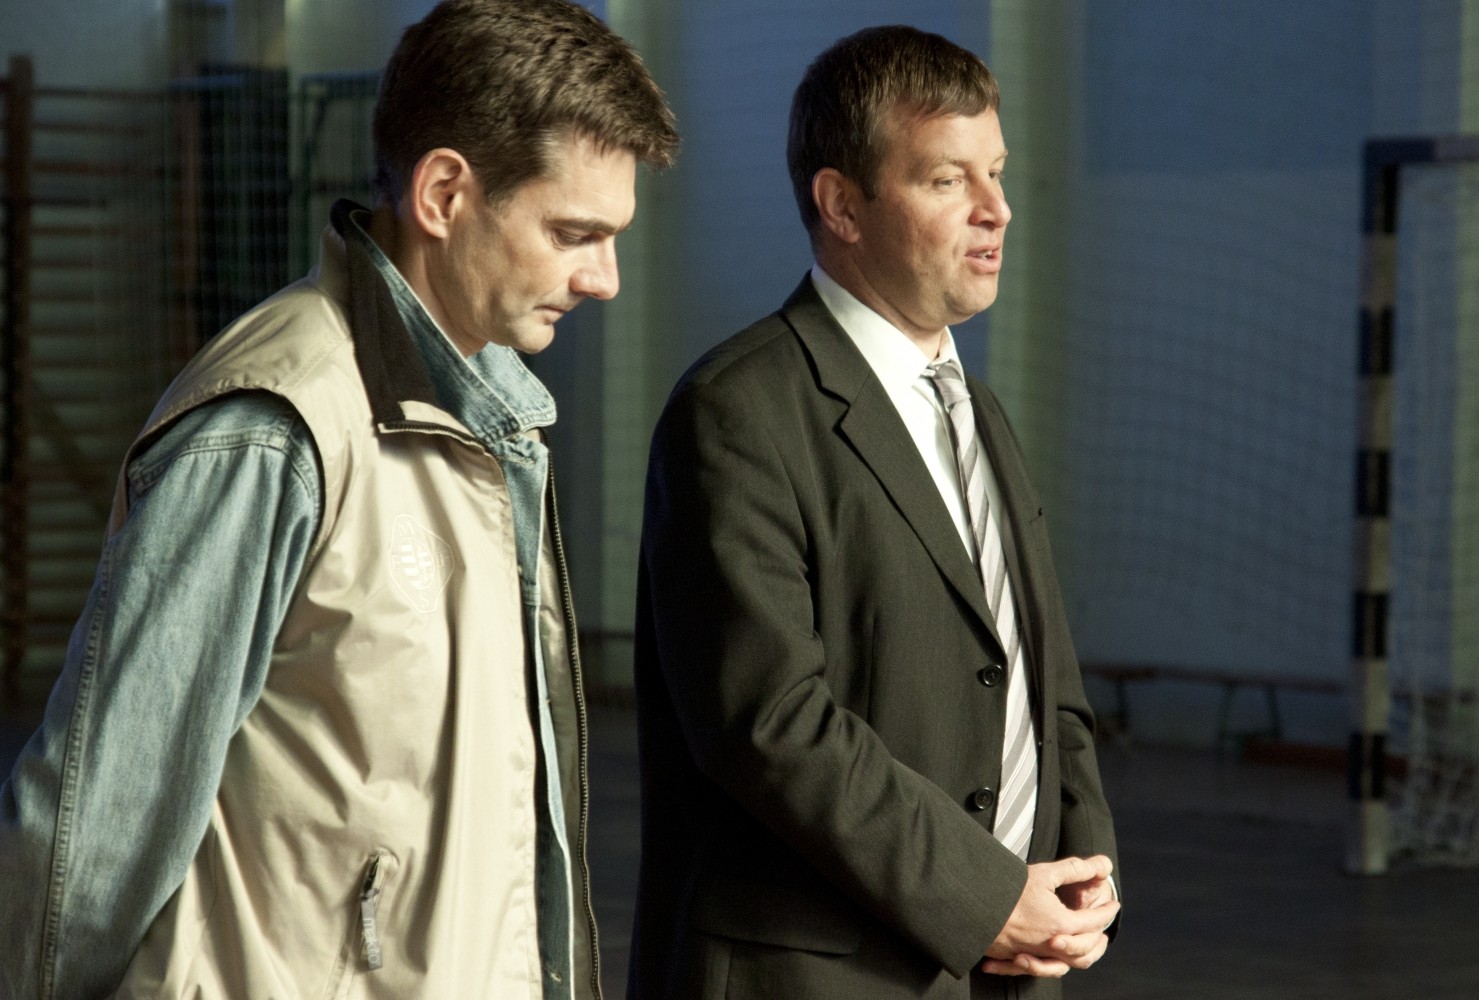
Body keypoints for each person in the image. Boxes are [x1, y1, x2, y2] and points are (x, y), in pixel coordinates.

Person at [0, 1, 677, 997]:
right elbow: (97, 827)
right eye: (574, 233)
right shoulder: (274, 429)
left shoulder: (496, 422)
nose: (605, 278)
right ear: (445, 193)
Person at [630, 24, 1117, 999]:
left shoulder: (980, 413)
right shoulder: (738, 410)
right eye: (947, 180)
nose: (997, 209)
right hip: (819, 975)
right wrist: (985, 898)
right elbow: (770, 724)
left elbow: (1044, 681)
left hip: (1006, 962)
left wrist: (1081, 871)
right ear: (842, 205)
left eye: (996, 173)